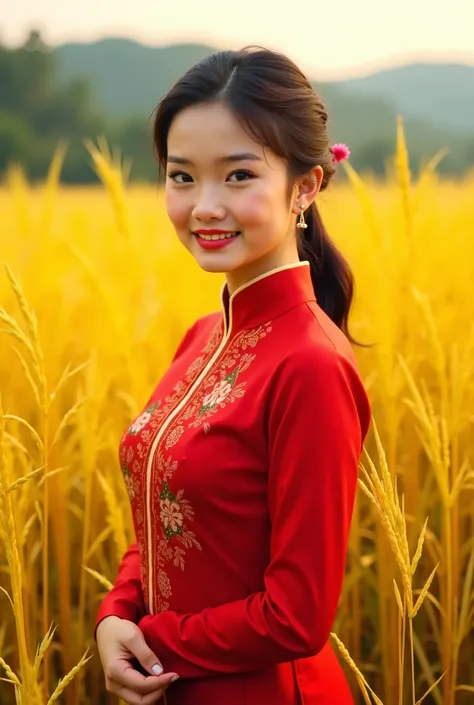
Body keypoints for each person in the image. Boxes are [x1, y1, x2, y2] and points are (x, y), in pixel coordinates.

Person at [95, 45, 371, 705]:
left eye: (238, 175)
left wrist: (154, 637)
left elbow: (297, 613)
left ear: (305, 185)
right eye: (182, 176)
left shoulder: (310, 364)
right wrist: (115, 613)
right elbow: (162, 518)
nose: (204, 207)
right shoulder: (204, 336)